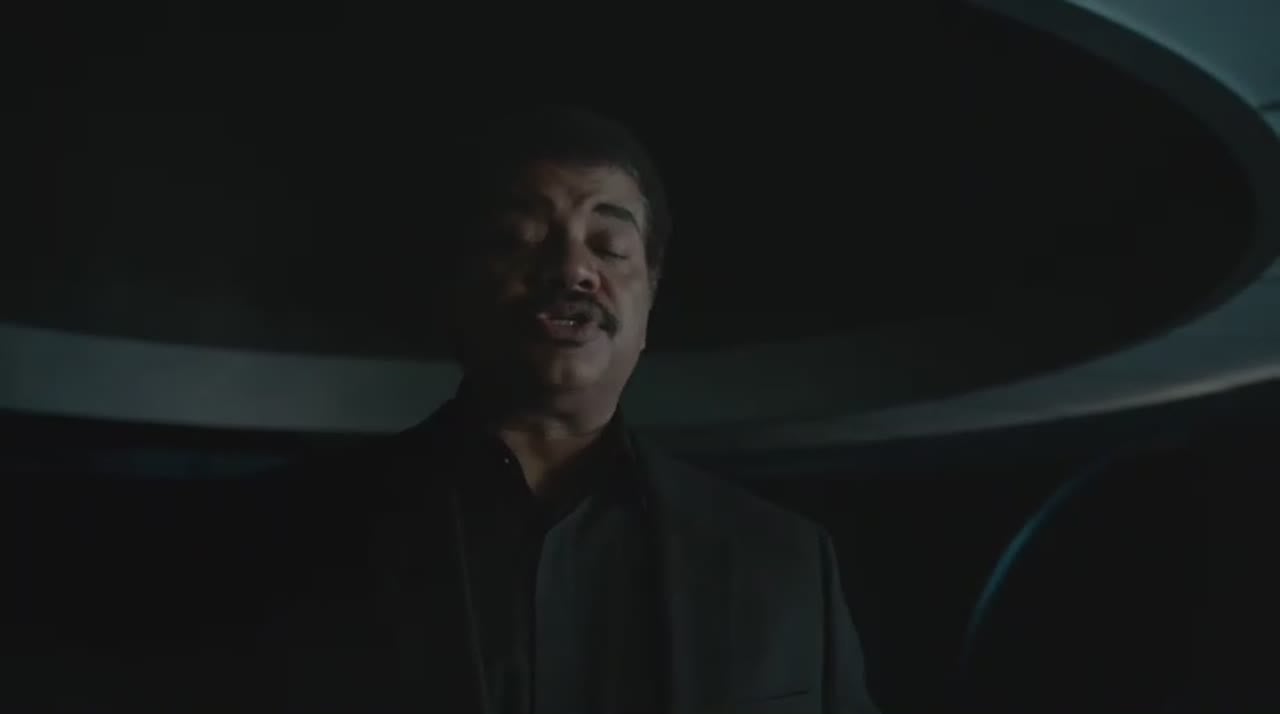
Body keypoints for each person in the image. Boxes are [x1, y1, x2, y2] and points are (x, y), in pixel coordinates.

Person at [253, 105, 883, 714]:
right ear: (455, 284)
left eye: (609, 246)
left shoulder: (785, 562)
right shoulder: (287, 536)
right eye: (519, 239)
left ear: (650, 295)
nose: (572, 269)